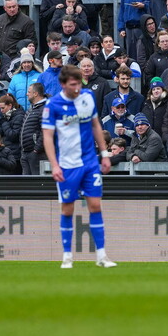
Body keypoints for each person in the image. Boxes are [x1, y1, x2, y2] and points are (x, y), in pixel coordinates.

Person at [41, 65, 116, 269]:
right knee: (67, 209)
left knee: (95, 206)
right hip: (67, 165)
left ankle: (101, 255)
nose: (77, 88)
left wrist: (105, 154)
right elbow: (47, 137)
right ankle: (67, 256)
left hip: (90, 162)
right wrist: (54, 165)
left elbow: (95, 126)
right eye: (73, 85)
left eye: (79, 84)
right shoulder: (53, 105)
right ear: (63, 84)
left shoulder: (87, 98)